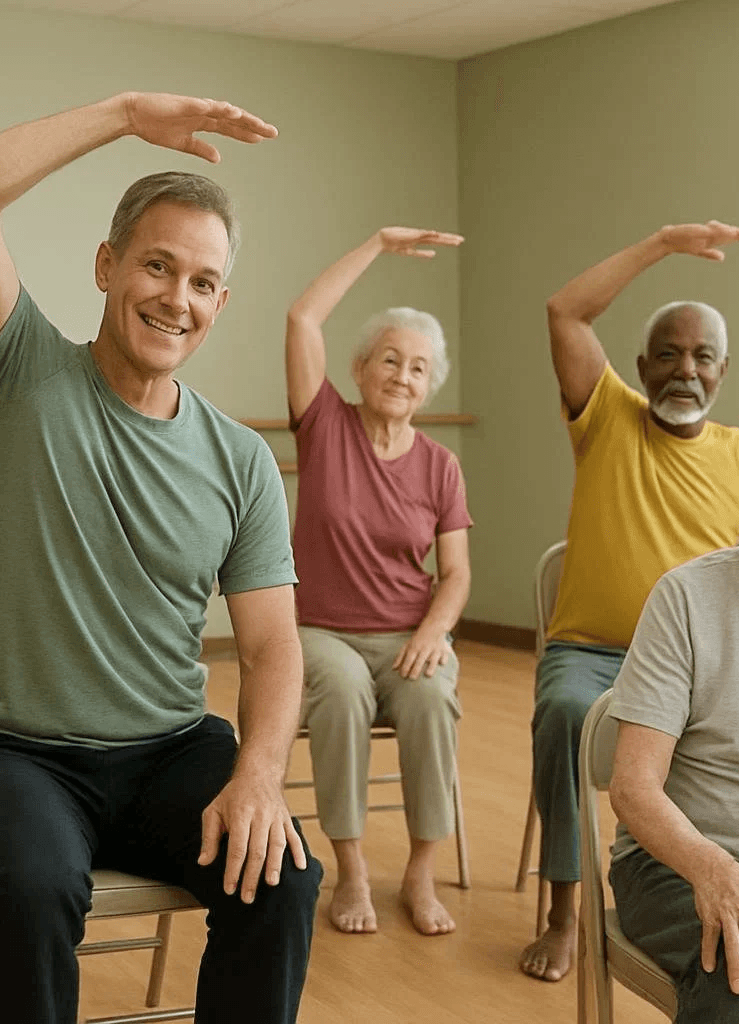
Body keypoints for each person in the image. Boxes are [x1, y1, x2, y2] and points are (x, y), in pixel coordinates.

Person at [0, 91, 323, 1024]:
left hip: (170, 754)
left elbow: (271, 650)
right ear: (107, 266)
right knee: (32, 889)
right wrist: (127, 115)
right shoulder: (20, 372)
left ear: (221, 301)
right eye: (156, 264)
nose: (175, 298)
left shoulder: (241, 459)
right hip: (14, 757)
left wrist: (258, 777)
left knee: (284, 876)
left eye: (201, 281)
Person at [521, 220, 739, 983]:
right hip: (592, 656)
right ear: (640, 366)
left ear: (723, 371)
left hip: (698, 673)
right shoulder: (608, 418)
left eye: (701, 356)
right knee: (563, 714)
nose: (683, 369)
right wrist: (661, 244)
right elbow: (564, 311)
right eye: (668, 353)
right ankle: (566, 913)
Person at [285, 227, 470, 936]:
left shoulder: (441, 466)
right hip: (323, 630)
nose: (402, 374)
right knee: (340, 690)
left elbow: (454, 573)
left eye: (418, 367)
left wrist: (434, 631)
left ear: (429, 386)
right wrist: (377, 245)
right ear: (360, 369)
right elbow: (303, 319)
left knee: (428, 697)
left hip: (408, 631)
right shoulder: (324, 425)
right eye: (389, 359)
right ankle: (352, 866)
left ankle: (419, 871)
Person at [608, 419, 739, 1023]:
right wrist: (714, 868)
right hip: (676, 858)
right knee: (738, 978)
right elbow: (633, 788)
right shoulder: (688, 600)